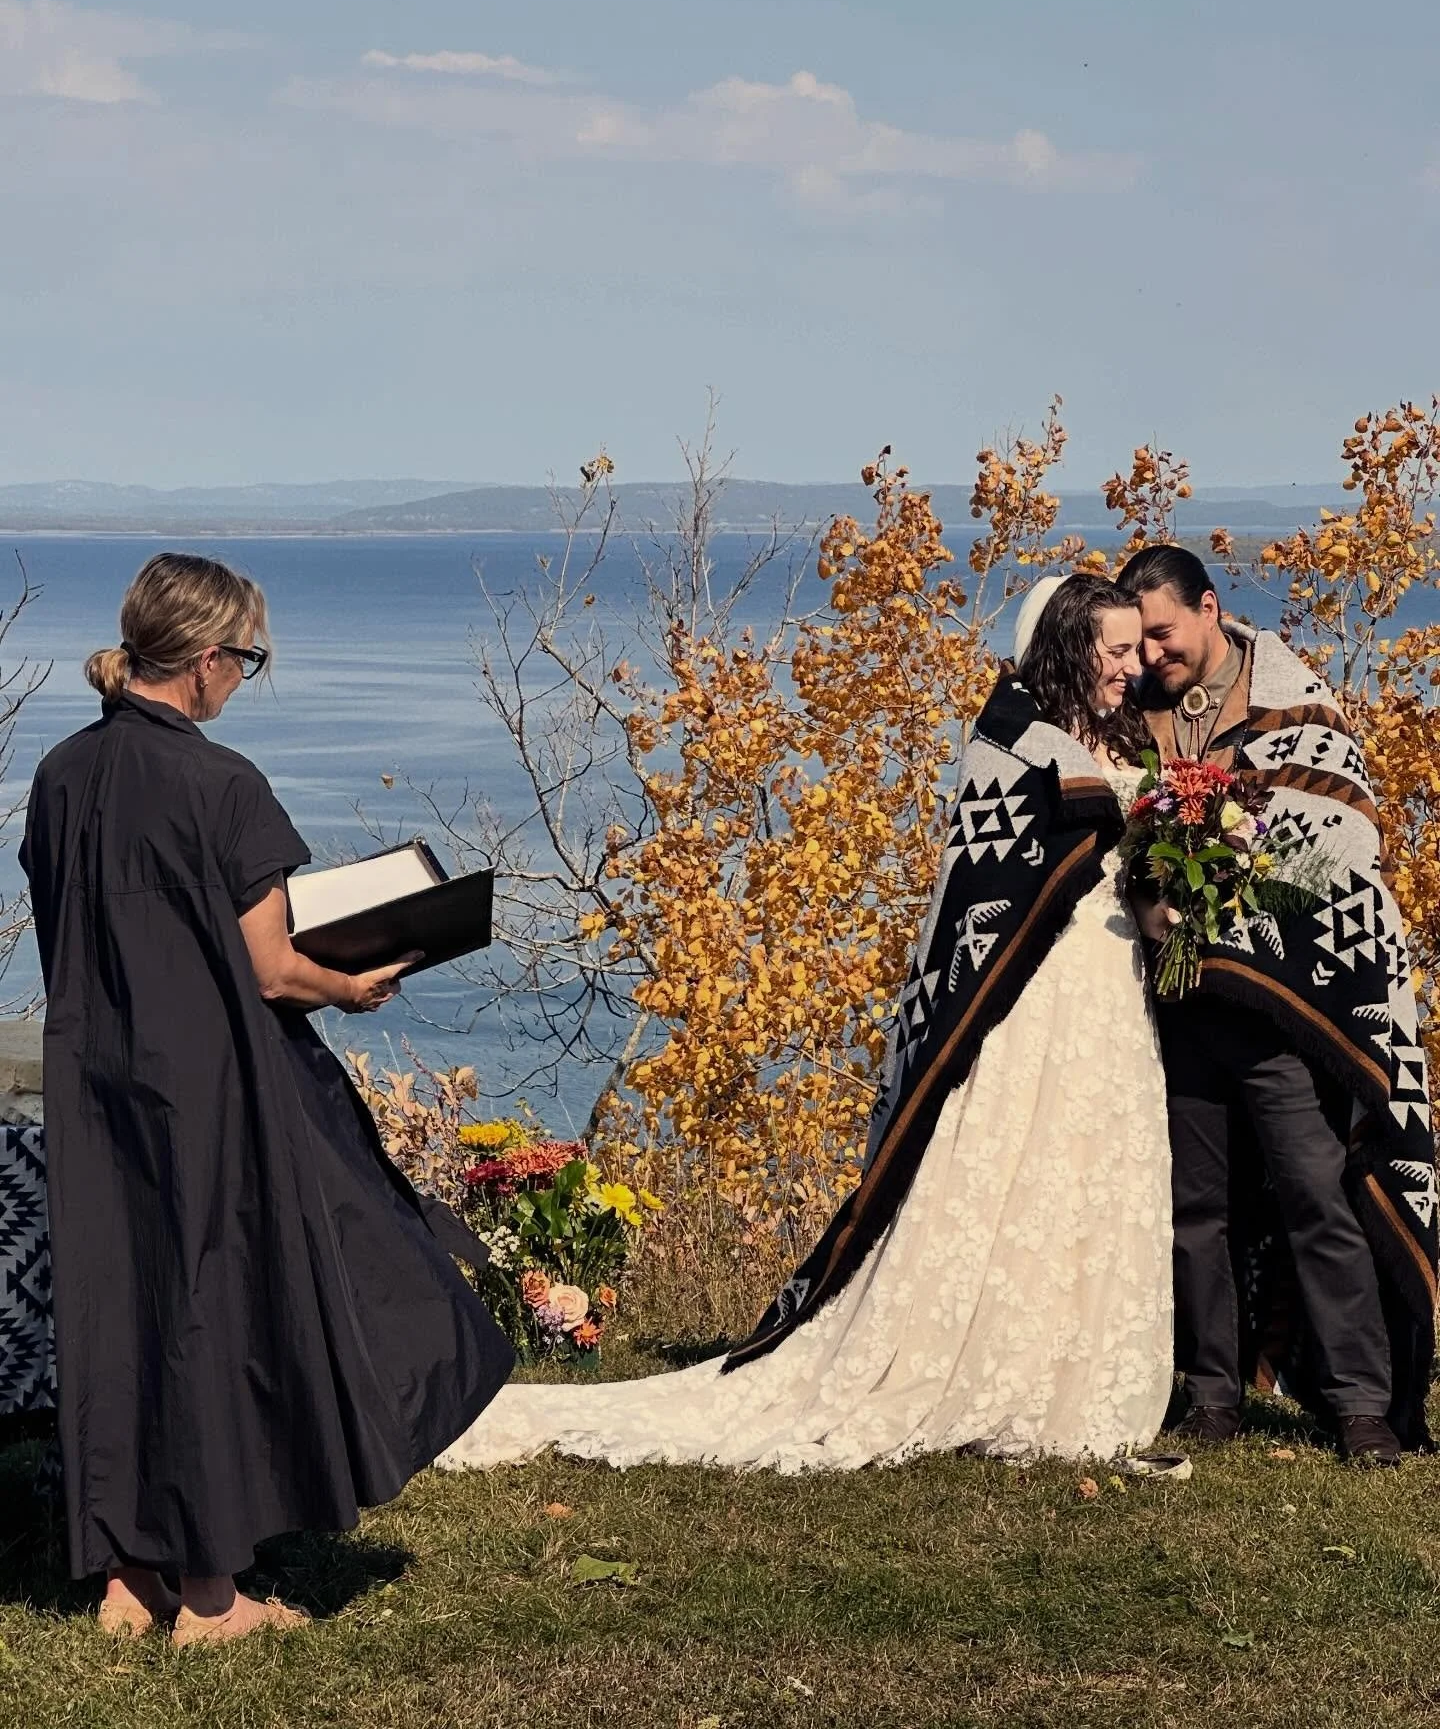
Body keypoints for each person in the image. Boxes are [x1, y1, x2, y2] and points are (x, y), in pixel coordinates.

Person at [439, 573, 1175, 1475]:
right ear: (1069, 646)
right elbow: (979, 891)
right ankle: (976, 1364)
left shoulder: (1132, 737)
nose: (1132, 667)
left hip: (1110, 989)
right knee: (1013, 1172)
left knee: (1089, 1171)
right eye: (1115, 649)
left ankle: (1068, 1374)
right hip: (1028, 1001)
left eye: (1138, 648)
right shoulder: (1015, 744)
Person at [21, 552, 513, 1645]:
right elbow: (272, 967)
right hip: (211, 1089)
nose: (245, 678)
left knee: (124, 1314)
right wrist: (354, 983)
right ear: (202, 662)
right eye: (247, 660)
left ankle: (124, 1577)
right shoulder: (221, 785)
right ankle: (209, 1596)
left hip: (98, 1087)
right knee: (213, 1315)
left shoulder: (59, 774)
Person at [1116, 544, 1438, 1463]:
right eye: (1138, 644)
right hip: (1174, 1011)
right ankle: (1210, 1393)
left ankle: (1361, 1407)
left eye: (1163, 637)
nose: (1149, 659)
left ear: (1211, 609)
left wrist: (1231, 894)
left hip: (1283, 1010)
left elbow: (1338, 850)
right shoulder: (1130, 717)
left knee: (1316, 1192)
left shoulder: (1300, 713)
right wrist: (1149, 895)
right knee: (1193, 1204)